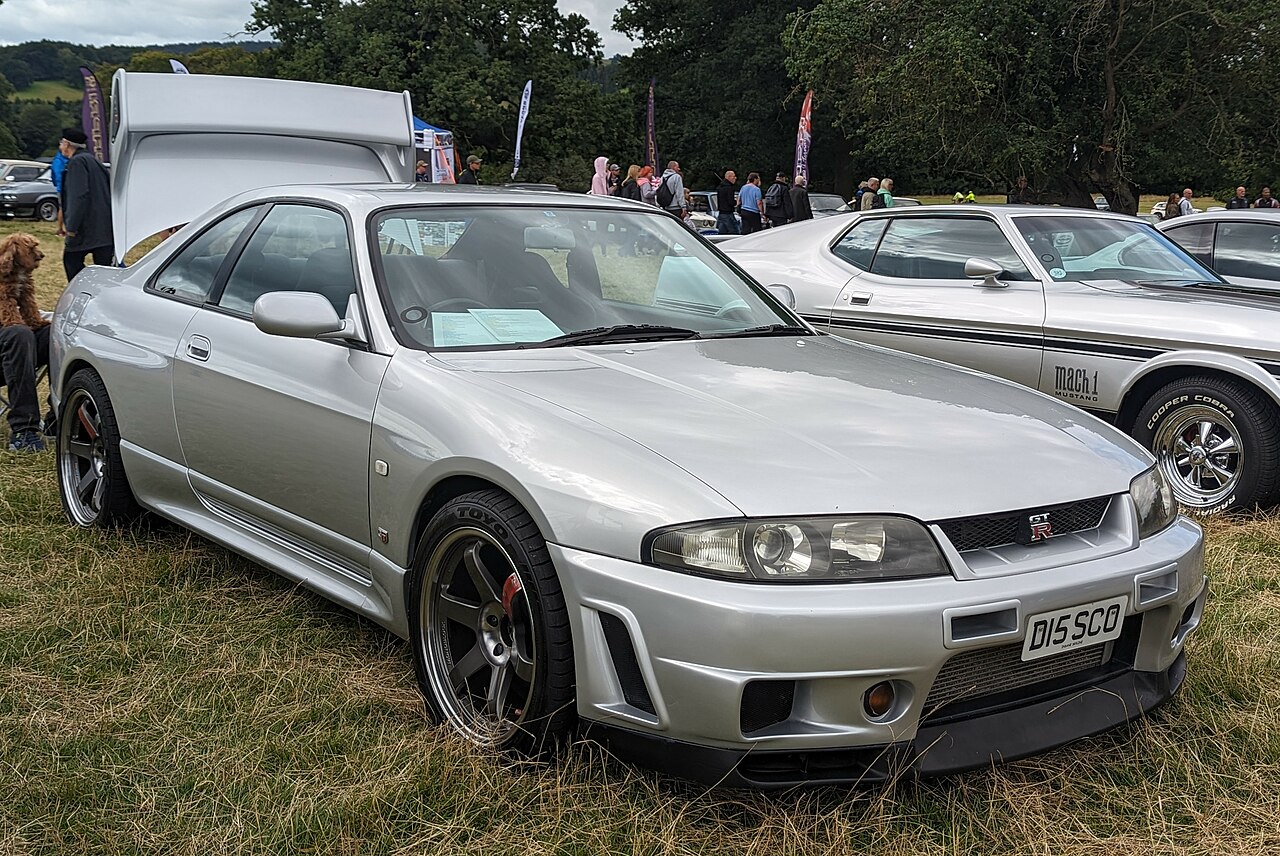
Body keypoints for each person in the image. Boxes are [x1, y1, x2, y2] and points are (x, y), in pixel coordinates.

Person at [0, 234, 53, 452]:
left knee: (52, 333)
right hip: (11, 342)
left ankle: (60, 419)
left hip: (14, 346)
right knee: (18, 333)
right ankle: (24, 430)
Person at [58, 128, 113, 281]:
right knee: (105, 271)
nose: (60, 146)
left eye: (61, 143)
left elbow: (78, 196)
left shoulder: (77, 162)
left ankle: (83, 290)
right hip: (105, 228)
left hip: (87, 228)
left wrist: (72, 228)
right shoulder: (94, 160)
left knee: (71, 260)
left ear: (67, 144)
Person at [715, 170, 739, 235]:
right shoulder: (729, 188)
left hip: (721, 214)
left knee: (722, 233)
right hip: (728, 213)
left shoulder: (720, 187)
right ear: (729, 177)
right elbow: (730, 202)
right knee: (735, 232)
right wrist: (736, 202)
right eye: (733, 176)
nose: (735, 178)